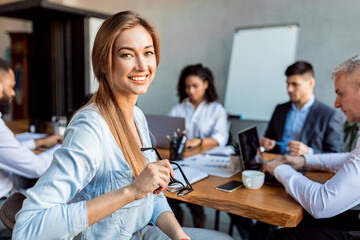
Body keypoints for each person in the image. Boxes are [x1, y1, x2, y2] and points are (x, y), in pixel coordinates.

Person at [13, 11, 232, 240]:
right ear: (104, 62)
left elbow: (153, 197)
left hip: (140, 230)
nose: (142, 65)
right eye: (127, 55)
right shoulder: (90, 128)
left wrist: (179, 235)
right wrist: (131, 191)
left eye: (148, 53)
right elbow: (28, 229)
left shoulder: (136, 116)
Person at [262, 55, 360, 240]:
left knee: (281, 237)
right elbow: (350, 157)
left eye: (341, 93)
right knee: (301, 222)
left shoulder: (328, 114)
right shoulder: (280, 109)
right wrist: (304, 161)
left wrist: (280, 168)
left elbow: (321, 204)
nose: (336, 103)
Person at [0, 58, 62, 238]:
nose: (13, 93)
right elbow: (36, 167)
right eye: (11, 86)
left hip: (9, 194)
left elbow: (7, 147)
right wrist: (66, 146)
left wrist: (39, 143)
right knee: (60, 206)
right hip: (4, 207)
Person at [167, 64, 228, 228]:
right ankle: (176, 222)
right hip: (181, 161)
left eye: (195, 86)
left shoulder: (216, 109)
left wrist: (198, 141)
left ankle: (197, 221)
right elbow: (167, 132)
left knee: (195, 194)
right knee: (169, 193)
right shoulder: (179, 108)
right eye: (187, 86)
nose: (191, 91)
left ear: (206, 84)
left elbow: (221, 137)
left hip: (204, 163)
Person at [260, 61, 344, 156]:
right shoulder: (280, 109)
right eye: (287, 84)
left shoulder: (329, 116)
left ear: (311, 83)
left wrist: (308, 152)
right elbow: (269, 140)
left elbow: (336, 155)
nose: (289, 89)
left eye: (295, 84)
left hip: (307, 168)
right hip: (276, 163)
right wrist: (265, 144)